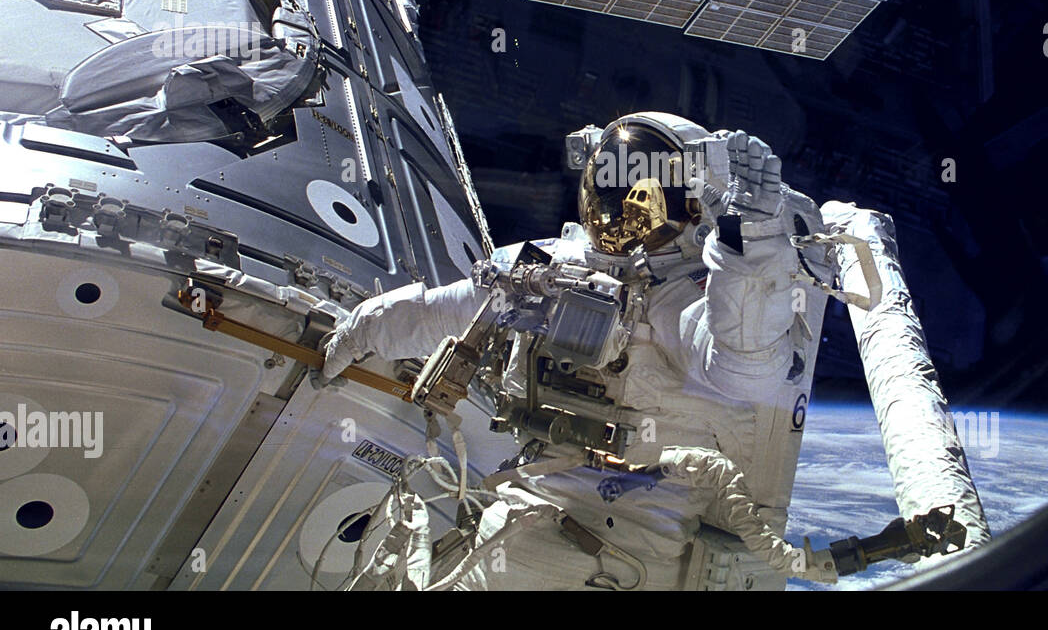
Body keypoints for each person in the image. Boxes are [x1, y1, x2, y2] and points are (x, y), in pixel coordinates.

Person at [319, 111, 987, 590]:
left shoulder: (687, 303)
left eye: (639, 200)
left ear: (691, 210)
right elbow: (445, 310)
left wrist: (750, 240)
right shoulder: (551, 271)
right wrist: (362, 328)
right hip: (536, 510)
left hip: (624, 544)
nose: (619, 216)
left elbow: (746, 363)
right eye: (609, 196)